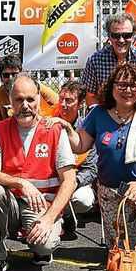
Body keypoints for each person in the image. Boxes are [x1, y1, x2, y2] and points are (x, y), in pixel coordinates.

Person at [61, 63, 136, 249]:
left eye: (134, 85)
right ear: (112, 87)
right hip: (110, 191)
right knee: (119, 249)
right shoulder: (98, 113)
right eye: (122, 85)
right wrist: (67, 129)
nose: (128, 90)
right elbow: (81, 145)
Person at [0, 75, 77, 271]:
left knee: (44, 245)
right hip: (11, 203)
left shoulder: (55, 130)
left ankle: (42, 244)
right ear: (10, 101)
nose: (25, 105)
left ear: (39, 99)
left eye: (30, 99)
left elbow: (70, 180)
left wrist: (48, 219)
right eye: (18, 99)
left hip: (41, 205)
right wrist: (21, 183)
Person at [81, 12, 136, 106]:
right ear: (109, 36)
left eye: (126, 35)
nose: (121, 40)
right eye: (116, 36)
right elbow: (90, 97)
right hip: (105, 111)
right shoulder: (95, 61)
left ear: (133, 36)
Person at [53, 79, 98, 239]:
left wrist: (73, 183)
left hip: (75, 182)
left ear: (80, 104)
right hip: (51, 180)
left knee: (83, 199)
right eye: (61, 99)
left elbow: (91, 169)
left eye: (69, 101)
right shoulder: (50, 122)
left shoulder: (87, 129)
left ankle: (65, 215)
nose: (63, 104)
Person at [0, 55, 59, 129]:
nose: (10, 78)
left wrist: (54, 119)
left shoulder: (35, 87)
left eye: (14, 74)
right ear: (1, 77)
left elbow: (59, 103)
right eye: (6, 75)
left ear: (21, 74)